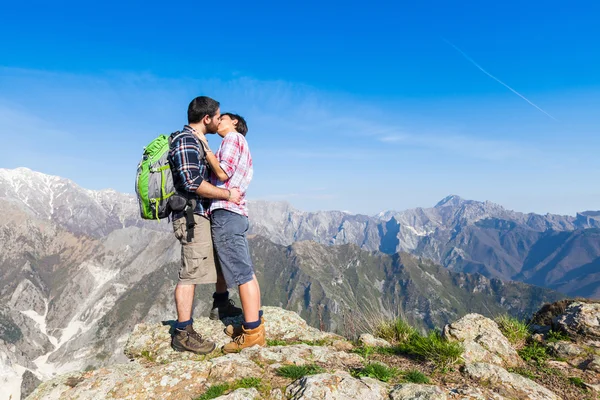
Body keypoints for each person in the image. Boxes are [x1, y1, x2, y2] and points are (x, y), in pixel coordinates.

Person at [168, 96, 243, 354]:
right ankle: (183, 332)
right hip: (191, 216)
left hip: (200, 213)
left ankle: (220, 304)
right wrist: (227, 195)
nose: (220, 119)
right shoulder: (187, 140)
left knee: (215, 258)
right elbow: (192, 183)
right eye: (218, 116)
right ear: (206, 118)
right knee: (191, 271)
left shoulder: (198, 141)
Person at [197, 112, 265, 353]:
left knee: (241, 274)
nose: (218, 122)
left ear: (235, 122)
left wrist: (205, 150)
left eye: (222, 118)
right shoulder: (240, 143)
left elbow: (223, 172)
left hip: (226, 211)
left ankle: (253, 333)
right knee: (246, 270)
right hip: (236, 212)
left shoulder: (232, 140)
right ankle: (252, 322)